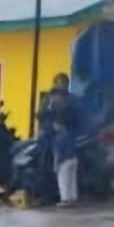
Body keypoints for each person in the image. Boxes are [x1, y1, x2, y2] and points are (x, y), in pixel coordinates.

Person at [43, 73, 81, 207]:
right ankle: (72, 198)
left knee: (63, 171)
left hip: (61, 143)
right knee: (71, 171)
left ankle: (66, 199)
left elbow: (45, 118)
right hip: (72, 142)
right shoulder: (73, 100)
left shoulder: (53, 101)